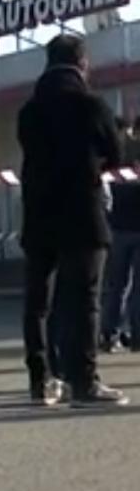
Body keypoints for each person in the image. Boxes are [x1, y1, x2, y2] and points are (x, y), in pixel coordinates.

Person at [18, 34, 127, 407]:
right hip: (82, 213)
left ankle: (41, 381)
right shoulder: (91, 106)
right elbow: (115, 154)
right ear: (82, 63)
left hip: (38, 215)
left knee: (38, 302)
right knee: (84, 300)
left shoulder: (29, 112)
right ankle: (84, 383)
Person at [101, 116, 140, 353]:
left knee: (117, 285)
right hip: (134, 225)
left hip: (116, 227)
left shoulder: (111, 155)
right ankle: (137, 335)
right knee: (137, 287)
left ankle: (109, 334)